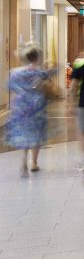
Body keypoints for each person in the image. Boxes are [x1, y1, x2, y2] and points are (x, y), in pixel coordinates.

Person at [7, 48, 52, 178]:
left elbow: (10, 87)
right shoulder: (39, 72)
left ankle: (23, 159)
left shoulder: (15, 72)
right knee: (36, 135)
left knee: (24, 133)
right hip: (36, 106)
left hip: (21, 106)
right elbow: (48, 80)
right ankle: (34, 162)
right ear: (37, 58)